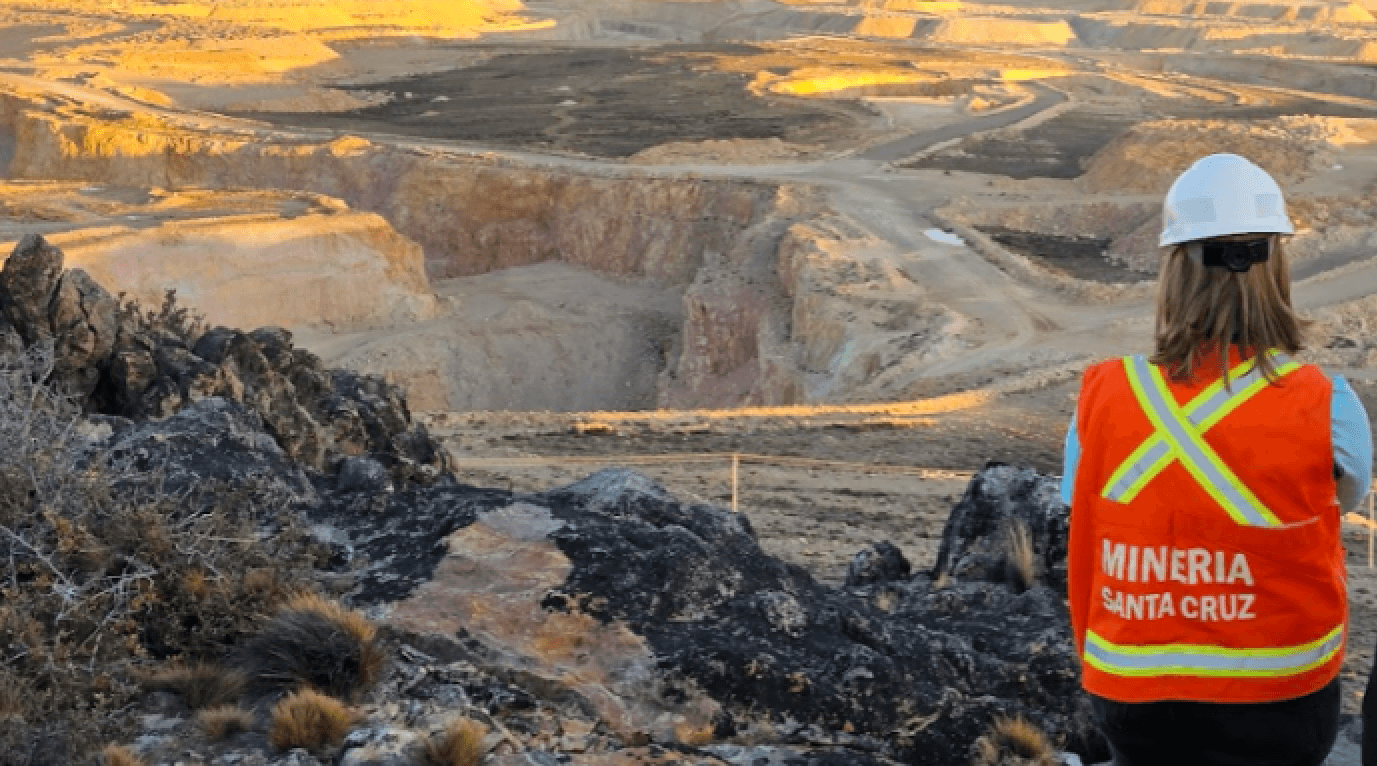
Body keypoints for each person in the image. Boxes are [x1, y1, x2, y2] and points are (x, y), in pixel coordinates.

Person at [1062, 153, 1373, 766]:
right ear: (1276, 265)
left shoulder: (1103, 394)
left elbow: (1082, 503)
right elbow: (1340, 503)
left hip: (1133, 695)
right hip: (1279, 698)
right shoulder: (1327, 404)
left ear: (1174, 269)